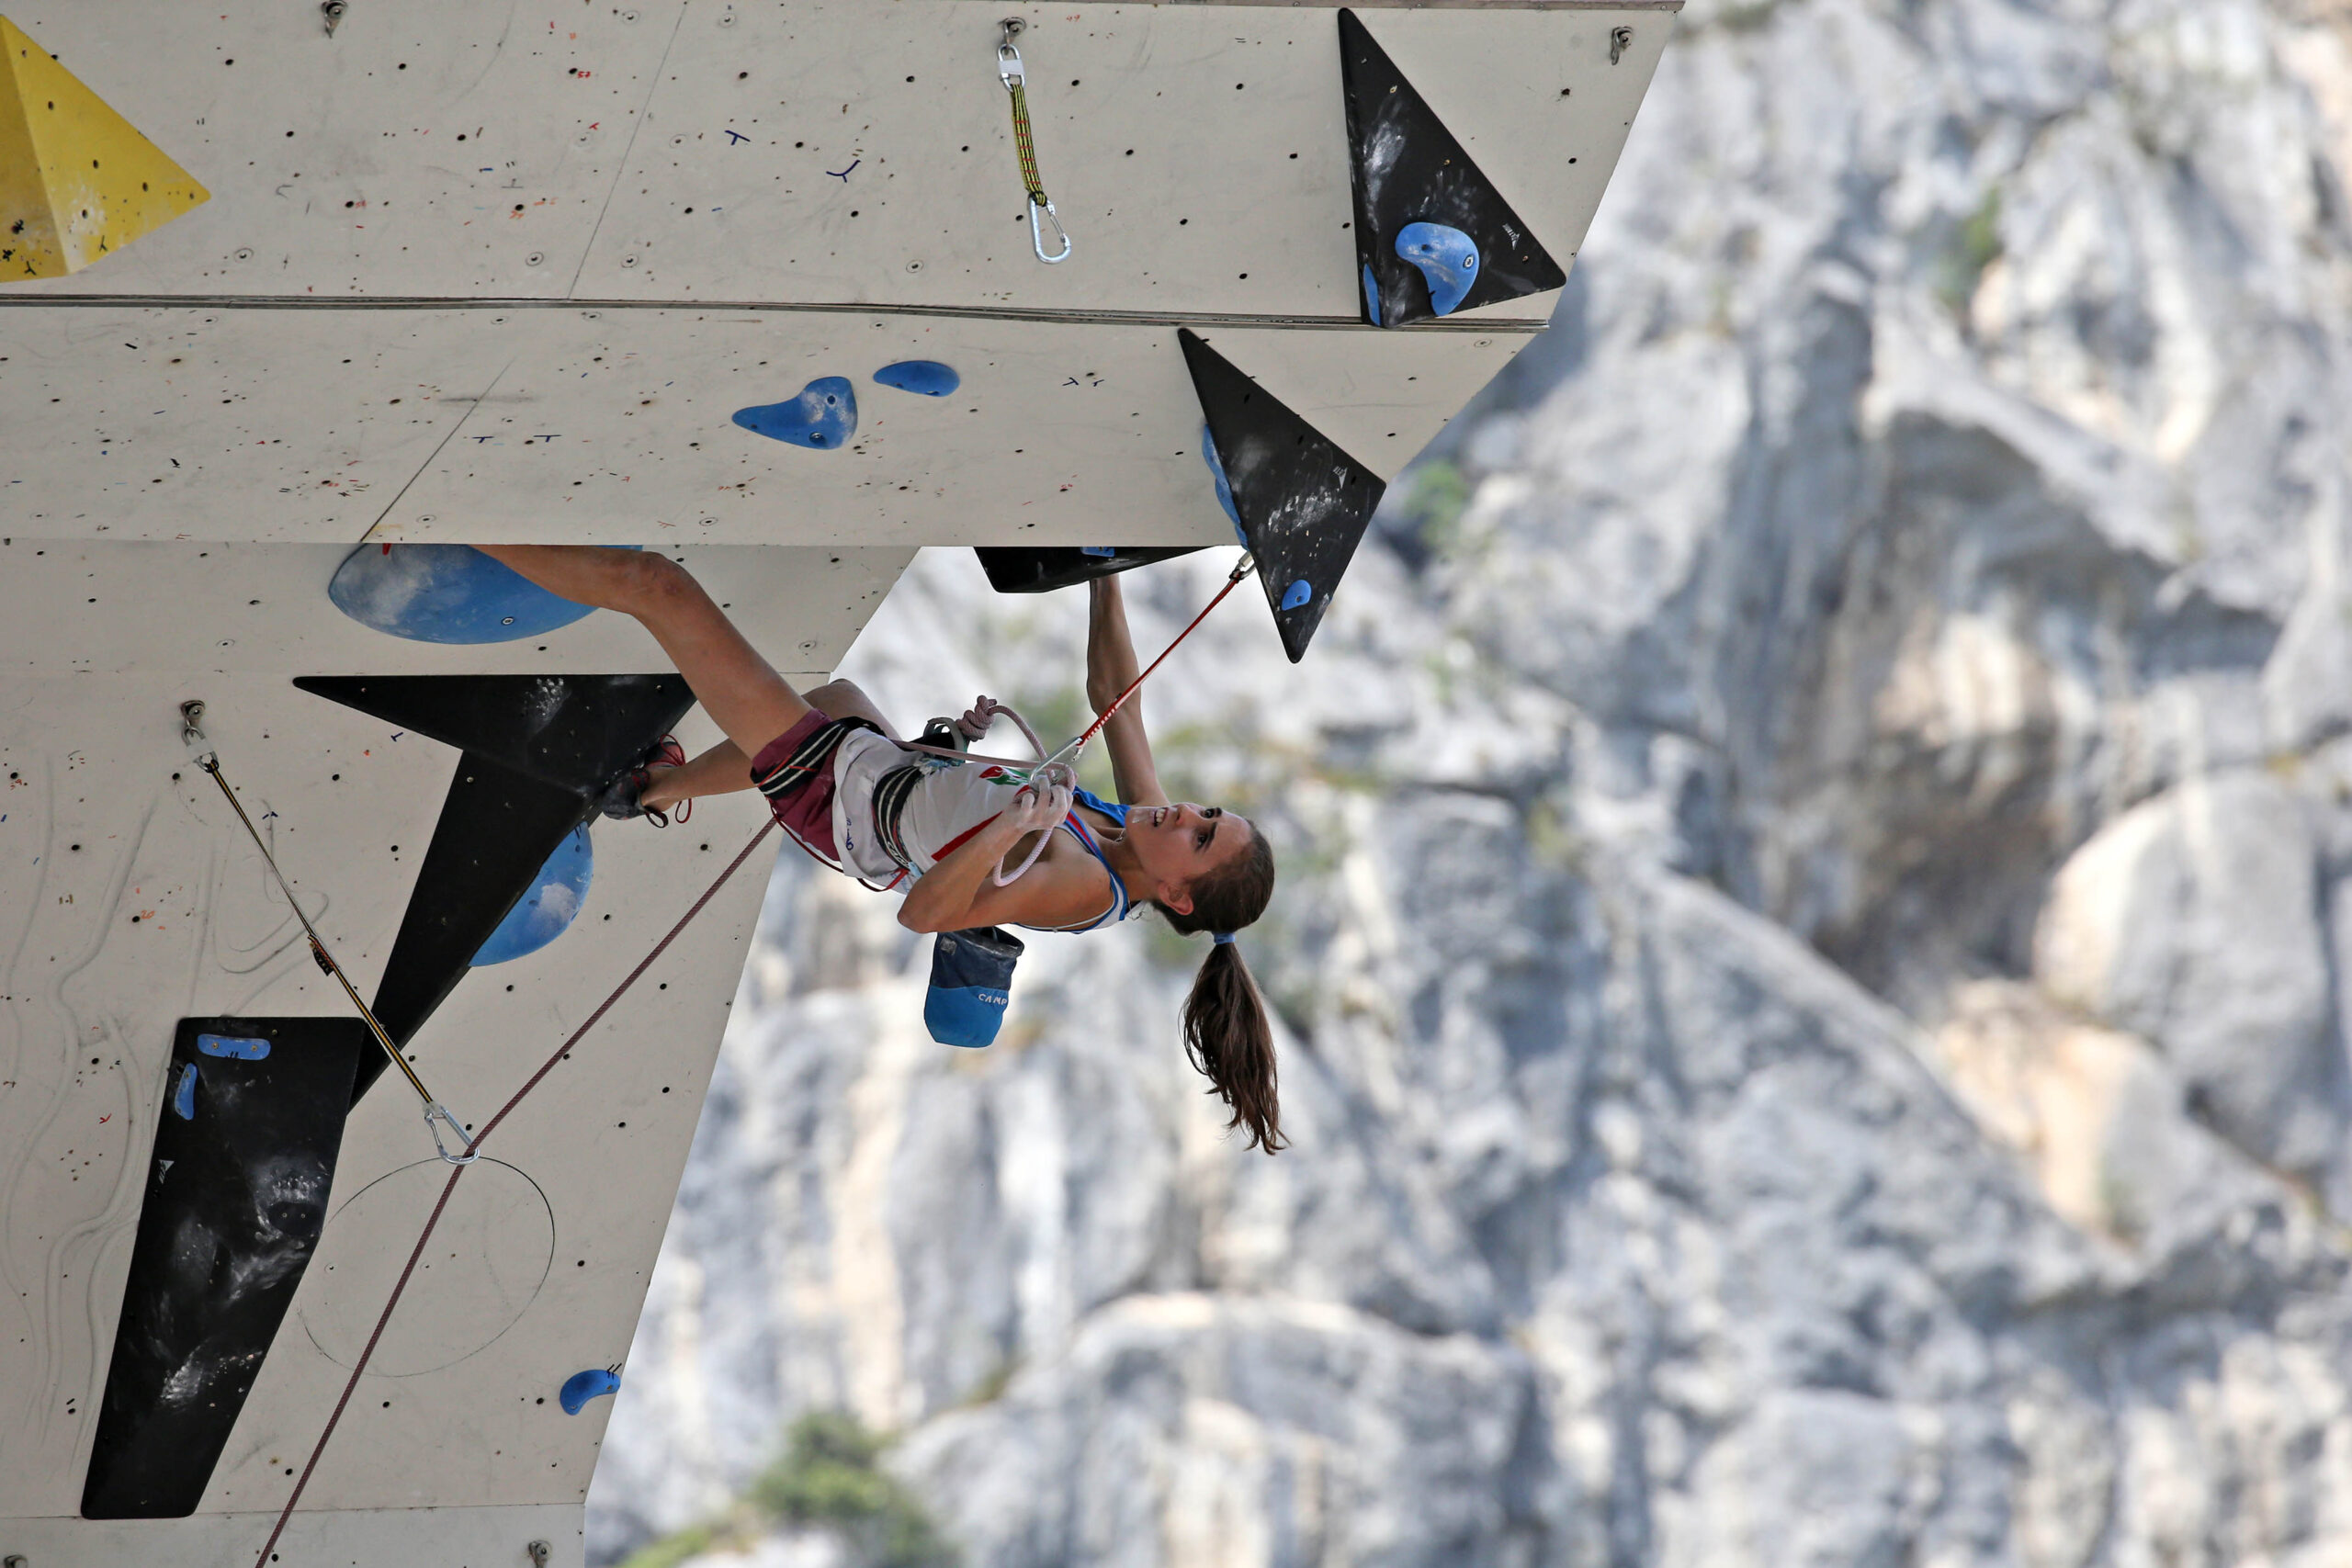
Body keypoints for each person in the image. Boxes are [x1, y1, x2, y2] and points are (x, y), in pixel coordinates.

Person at [474, 546, 1284, 1152]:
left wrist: (1011, 825)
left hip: (844, 804)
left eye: (1201, 837)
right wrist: (1106, 570)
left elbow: (926, 911)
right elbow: (1119, 699)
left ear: (1178, 895)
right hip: (887, 769)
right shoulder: (1143, 831)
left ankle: (458, 526)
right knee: (836, 699)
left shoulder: (1082, 882)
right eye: (1207, 811)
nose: (1184, 813)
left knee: (663, 591)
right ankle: (647, 790)